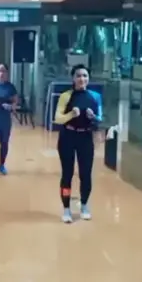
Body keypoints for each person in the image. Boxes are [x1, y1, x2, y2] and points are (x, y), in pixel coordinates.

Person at [53, 64, 101, 223]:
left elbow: (100, 119)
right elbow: (58, 118)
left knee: (85, 174)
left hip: (85, 137)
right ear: (73, 78)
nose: (82, 79)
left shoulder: (95, 96)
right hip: (68, 136)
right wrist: (71, 115)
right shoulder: (66, 96)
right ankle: (66, 208)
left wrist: (94, 117)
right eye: (78, 76)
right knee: (67, 174)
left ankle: (84, 205)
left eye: (85, 76)